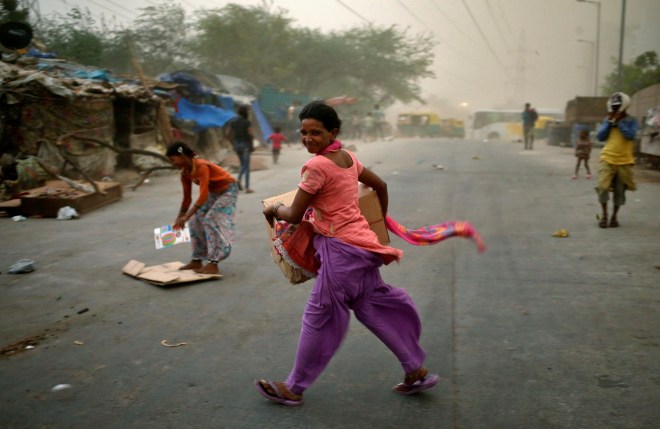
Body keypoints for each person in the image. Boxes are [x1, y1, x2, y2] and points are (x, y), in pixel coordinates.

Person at [256, 101, 439, 406]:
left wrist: (274, 208)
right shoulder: (348, 159)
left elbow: (295, 214)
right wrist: (379, 223)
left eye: (316, 132)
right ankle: (415, 370)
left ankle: (294, 387)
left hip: (341, 252)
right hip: (364, 246)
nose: (308, 139)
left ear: (333, 133)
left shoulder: (316, 166)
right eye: (303, 132)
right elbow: (379, 185)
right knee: (371, 307)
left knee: (319, 316)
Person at [166, 141, 238, 275]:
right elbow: (187, 198)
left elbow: (203, 195)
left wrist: (186, 216)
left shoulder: (202, 166)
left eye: (173, 159)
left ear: (181, 155)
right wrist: (180, 217)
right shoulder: (185, 174)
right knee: (194, 221)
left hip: (228, 190)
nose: (172, 163)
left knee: (210, 220)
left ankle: (213, 263)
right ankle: (197, 259)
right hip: (214, 192)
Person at [595, 92, 639, 228]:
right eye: (613, 107)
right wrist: (609, 123)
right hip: (607, 158)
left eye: (617, 107)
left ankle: (614, 217)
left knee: (620, 191)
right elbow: (600, 137)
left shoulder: (632, 120)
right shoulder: (607, 119)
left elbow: (630, 136)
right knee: (602, 187)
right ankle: (604, 216)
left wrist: (619, 123)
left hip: (625, 161)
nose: (615, 110)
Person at [227, 105, 254, 193]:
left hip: (237, 145)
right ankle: (246, 187)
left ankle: (239, 181)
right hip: (245, 145)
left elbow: (228, 135)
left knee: (243, 165)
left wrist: (233, 144)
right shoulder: (247, 122)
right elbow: (250, 135)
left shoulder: (233, 122)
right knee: (246, 166)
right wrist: (251, 145)